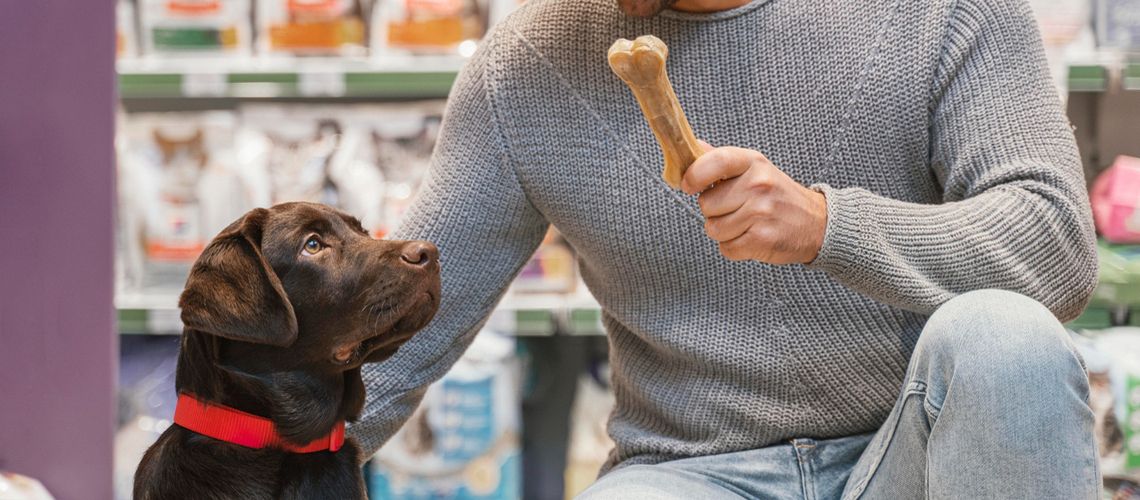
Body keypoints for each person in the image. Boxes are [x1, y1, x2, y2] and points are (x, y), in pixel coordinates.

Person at [349, 0, 1102, 496]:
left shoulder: (940, 10)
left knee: (1008, 341)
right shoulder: (524, 65)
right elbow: (387, 341)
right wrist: (242, 461)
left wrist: (826, 226)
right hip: (687, 474)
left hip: (914, 450)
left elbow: (1057, 247)